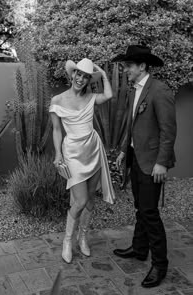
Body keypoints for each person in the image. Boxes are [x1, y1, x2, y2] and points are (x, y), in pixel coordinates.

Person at [112, 45, 176, 288]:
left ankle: (160, 265)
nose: (125, 69)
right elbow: (131, 127)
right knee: (141, 207)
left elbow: (169, 131)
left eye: (128, 65)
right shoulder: (133, 91)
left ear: (142, 66)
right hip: (136, 159)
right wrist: (122, 151)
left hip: (152, 163)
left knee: (150, 213)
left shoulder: (159, 91)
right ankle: (140, 249)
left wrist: (161, 162)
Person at [49, 58, 116, 264]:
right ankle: (67, 241)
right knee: (80, 200)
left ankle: (83, 237)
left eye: (86, 76)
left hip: (93, 150)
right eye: (78, 74)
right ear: (72, 74)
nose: (81, 79)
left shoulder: (91, 97)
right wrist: (58, 155)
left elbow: (109, 94)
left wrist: (102, 74)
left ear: (88, 80)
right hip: (73, 154)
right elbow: (57, 130)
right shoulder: (58, 100)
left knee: (90, 199)